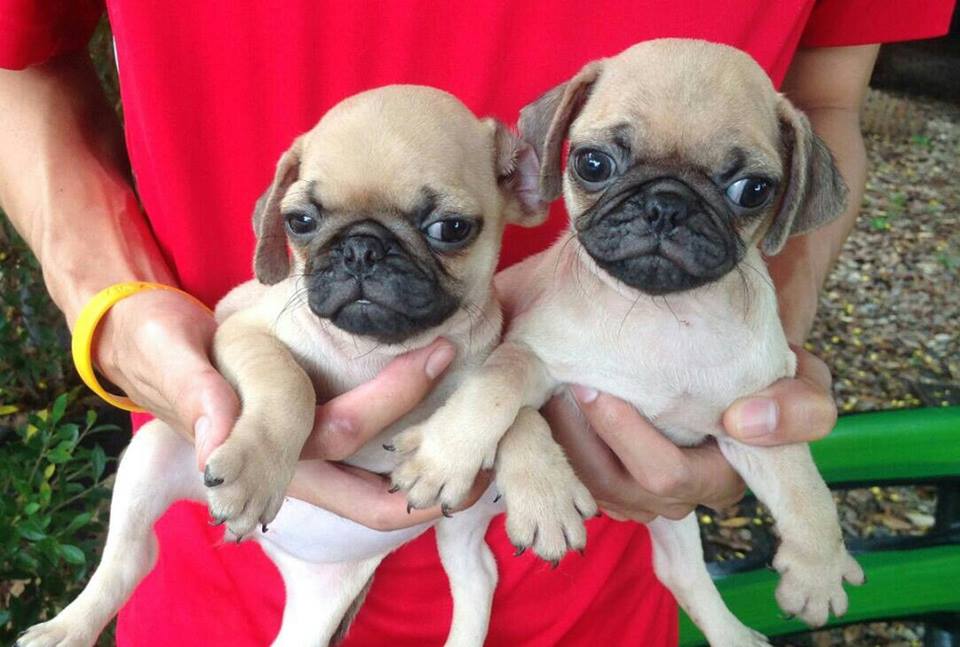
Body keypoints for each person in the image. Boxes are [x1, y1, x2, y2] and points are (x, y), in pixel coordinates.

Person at [0, 2, 953, 645]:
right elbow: (21, 60)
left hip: (592, 568)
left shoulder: (504, 316)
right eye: (600, 167)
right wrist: (113, 310)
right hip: (216, 535)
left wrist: (757, 351)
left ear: (520, 181)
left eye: (743, 188)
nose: (660, 213)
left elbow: (827, 100)